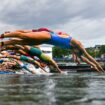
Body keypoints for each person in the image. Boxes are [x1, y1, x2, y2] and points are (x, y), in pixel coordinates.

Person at [0, 28, 104, 72]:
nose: (76, 55)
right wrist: (99, 67)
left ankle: (3, 43)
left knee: (23, 42)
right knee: (24, 35)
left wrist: (95, 67)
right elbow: (89, 57)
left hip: (46, 40)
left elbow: (83, 58)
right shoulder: (77, 44)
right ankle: (4, 35)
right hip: (48, 36)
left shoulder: (73, 49)